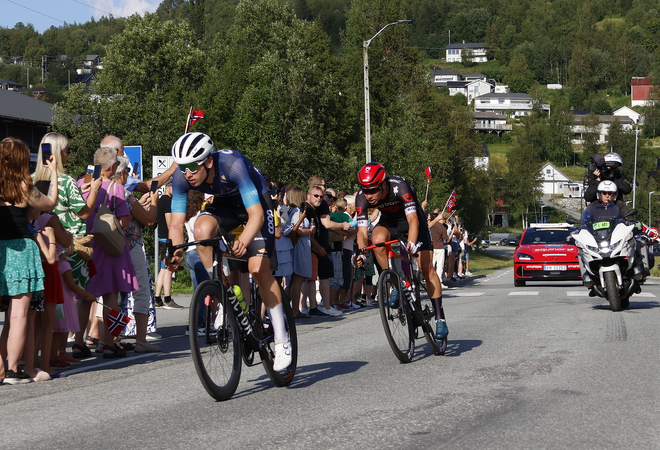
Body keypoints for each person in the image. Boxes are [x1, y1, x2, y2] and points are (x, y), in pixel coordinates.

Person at [166, 132, 292, 371]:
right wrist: (176, 251)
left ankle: (282, 339)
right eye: (182, 167)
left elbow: (255, 214)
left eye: (193, 166)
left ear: (209, 162)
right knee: (202, 229)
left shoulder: (232, 165)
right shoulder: (182, 178)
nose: (187, 173)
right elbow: (175, 224)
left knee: (257, 270)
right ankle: (224, 292)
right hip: (226, 205)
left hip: (256, 204)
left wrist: (244, 240)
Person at [354, 162, 448, 339]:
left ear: (383, 184)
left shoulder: (400, 186)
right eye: (365, 190)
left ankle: (440, 318)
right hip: (390, 224)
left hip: (414, 224)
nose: (369, 195)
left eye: (373, 190)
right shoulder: (362, 197)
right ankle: (395, 282)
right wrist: (361, 252)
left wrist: (412, 243)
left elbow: (413, 219)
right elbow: (361, 232)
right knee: (377, 239)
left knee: (427, 269)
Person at [0, 137, 59, 384]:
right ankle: (13, 369)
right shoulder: (24, 187)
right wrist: (53, 173)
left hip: (0, 252)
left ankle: (3, 365)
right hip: (21, 251)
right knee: (18, 314)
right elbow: (50, 203)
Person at [79, 146, 139, 358]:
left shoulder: (81, 185)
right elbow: (123, 221)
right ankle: (110, 342)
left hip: (85, 245)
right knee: (111, 295)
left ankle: (79, 342)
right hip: (109, 246)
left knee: (85, 295)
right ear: (113, 166)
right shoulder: (116, 189)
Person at [113, 155, 161, 352]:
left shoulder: (102, 191)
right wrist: (154, 201)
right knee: (140, 291)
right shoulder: (125, 194)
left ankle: (109, 339)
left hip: (107, 245)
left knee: (111, 294)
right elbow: (149, 219)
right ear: (123, 174)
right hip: (131, 245)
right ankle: (141, 340)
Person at [155, 180, 181, 309]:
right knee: (169, 268)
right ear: (168, 187)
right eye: (174, 189)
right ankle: (168, 299)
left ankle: (157, 298)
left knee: (163, 268)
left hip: (162, 237)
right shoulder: (167, 201)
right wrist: (175, 239)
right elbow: (170, 222)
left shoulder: (160, 200)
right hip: (167, 238)